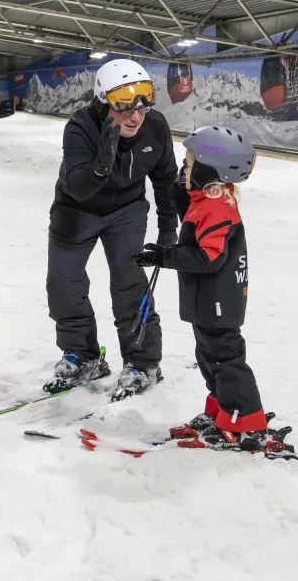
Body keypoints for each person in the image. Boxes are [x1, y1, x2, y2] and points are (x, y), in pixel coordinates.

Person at [44, 58, 189, 402]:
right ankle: (82, 355)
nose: (135, 115)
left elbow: (167, 180)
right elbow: (78, 186)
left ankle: (143, 361)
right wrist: (104, 157)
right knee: (63, 281)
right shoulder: (80, 127)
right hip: (77, 209)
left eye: (142, 104)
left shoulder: (154, 126)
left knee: (128, 280)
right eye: (124, 106)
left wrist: (169, 230)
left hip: (126, 210)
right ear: (103, 100)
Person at [132, 125, 269, 450]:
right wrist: (180, 189)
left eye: (190, 165)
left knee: (225, 362)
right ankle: (223, 413)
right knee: (210, 359)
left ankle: (245, 425)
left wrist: (165, 256)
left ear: (210, 170)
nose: (184, 169)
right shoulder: (207, 201)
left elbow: (208, 257)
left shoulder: (216, 208)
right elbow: (192, 220)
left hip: (219, 303)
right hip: (209, 303)